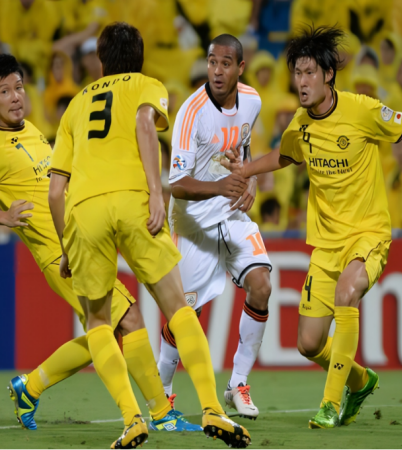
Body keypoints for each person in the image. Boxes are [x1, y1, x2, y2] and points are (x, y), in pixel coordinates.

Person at [222, 25, 402, 429]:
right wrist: (246, 170)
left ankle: (329, 404)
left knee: (346, 293)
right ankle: (359, 380)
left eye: (309, 73)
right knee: (308, 344)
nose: (302, 82)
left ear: (328, 75)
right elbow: (285, 156)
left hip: (368, 234)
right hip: (326, 245)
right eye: (297, 74)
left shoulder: (361, 110)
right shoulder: (301, 124)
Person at [0, 54, 200, 437]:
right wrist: (4, 217)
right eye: (4, 92)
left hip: (82, 240)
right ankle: (161, 413)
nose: (15, 97)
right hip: (60, 254)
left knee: (104, 329)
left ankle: (30, 387)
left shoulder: (31, 130)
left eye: (19, 87)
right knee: (128, 318)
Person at [48, 23, 251, 449]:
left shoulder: (75, 105)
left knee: (99, 322)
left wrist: (68, 245)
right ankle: (212, 408)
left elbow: (54, 190)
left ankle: (131, 419)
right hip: (132, 202)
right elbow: (145, 122)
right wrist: (157, 193)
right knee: (178, 307)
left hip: (84, 211)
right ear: (139, 58)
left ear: (101, 61)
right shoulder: (146, 85)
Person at [160, 34, 272, 421]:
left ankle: (238, 383)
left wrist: (250, 178)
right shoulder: (190, 113)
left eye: (225, 64)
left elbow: (244, 150)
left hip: (231, 213)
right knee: (184, 313)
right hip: (192, 222)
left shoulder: (252, 101)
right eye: (212, 62)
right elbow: (177, 184)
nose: (217, 71)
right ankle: (162, 391)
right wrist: (221, 186)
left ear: (240, 68)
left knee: (261, 284)